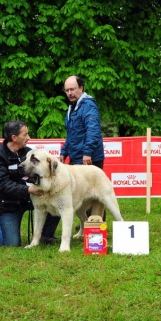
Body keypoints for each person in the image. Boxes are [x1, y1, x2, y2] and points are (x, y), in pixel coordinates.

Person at [0, 120, 60, 246]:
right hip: (8, 203)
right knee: (12, 244)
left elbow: (38, 173)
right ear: (14, 137)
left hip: (28, 199)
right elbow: (1, 184)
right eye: (25, 135)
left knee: (57, 201)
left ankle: (45, 235)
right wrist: (28, 190)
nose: (29, 138)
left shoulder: (29, 152)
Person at [59, 75, 106, 222]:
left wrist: (87, 152)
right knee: (80, 195)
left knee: (96, 194)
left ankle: (98, 228)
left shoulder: (88, 106)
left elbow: (93, 130)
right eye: (67, 90)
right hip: (75, 158)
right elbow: (71, 134)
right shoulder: (72, 108)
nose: (70, 93)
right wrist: (64, 152)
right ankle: (85, 226)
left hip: (89, 158)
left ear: (81, 88)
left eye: (73, 89)